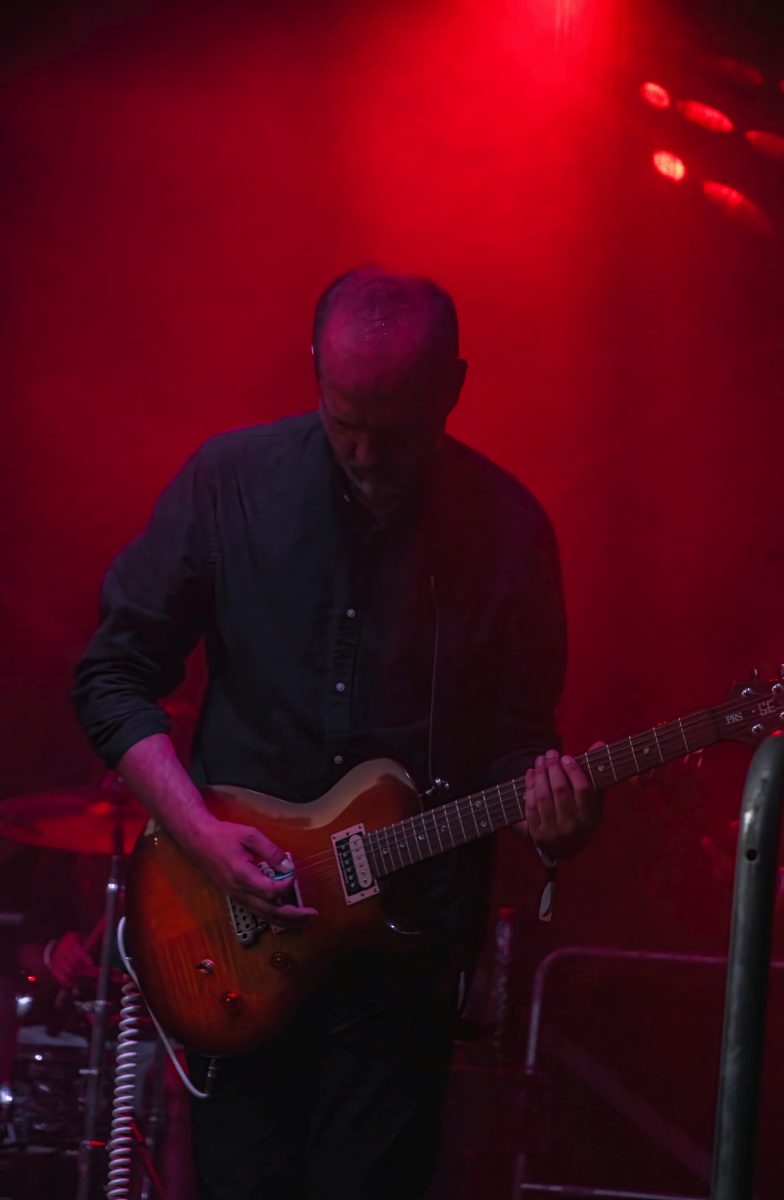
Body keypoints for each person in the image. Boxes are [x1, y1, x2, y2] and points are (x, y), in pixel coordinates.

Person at [72, 267, 601, 1200]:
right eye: (343, 417)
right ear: (314, 367)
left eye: (391, 430)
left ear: (453, 388)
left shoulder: (510, 531)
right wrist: (200, 833)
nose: (363, 453)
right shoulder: (229, 482)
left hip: (402, 965)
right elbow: (112, 675)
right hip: (237, 938)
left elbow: (519, 741)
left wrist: (554, 815)